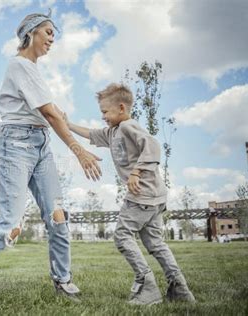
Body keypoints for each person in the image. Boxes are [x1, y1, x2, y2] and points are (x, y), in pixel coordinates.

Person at [0, 10, 102, 304]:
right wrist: (78, 151)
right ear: (30, 33)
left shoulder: (33, 71)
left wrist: (67, 124)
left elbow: (53, 115)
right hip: (17, 145)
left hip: (41, 146)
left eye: (54, 35)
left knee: (58, 217)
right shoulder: (19, 66)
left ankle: (63, 279)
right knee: (9, 224)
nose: (52, 40)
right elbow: (49, 112)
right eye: (48, 32)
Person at [64, 83, 195, 305]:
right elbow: (91, 134)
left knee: (123, 236)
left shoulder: (127, 127)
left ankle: (148, 287)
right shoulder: (113, 131)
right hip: (153, 198)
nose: (103, 116)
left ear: (121, 108)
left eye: (105, 112)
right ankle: (180, 289)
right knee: (155, 244)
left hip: (141, 196)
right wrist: (67, 124)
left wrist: (135, 172)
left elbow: (153, 146)